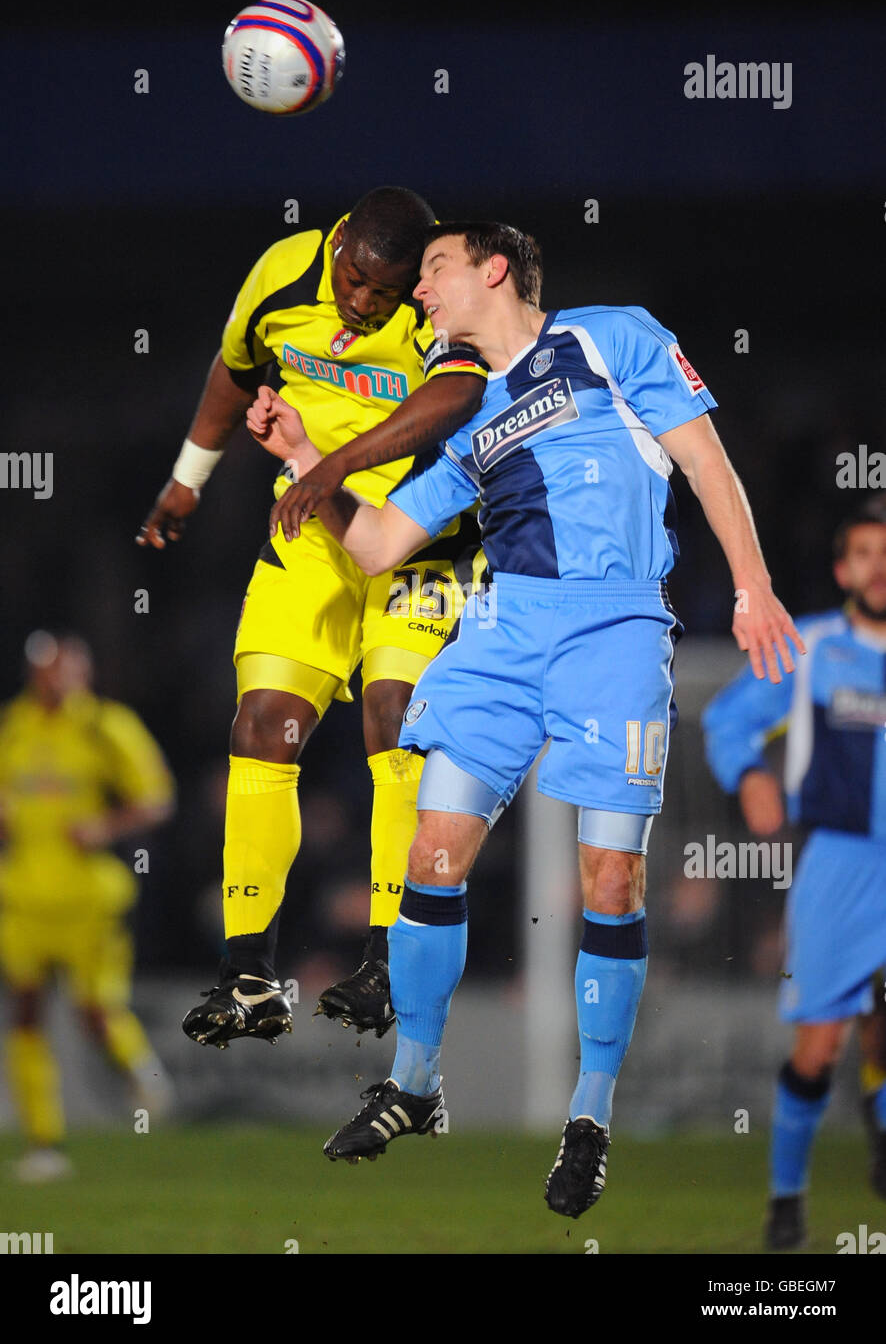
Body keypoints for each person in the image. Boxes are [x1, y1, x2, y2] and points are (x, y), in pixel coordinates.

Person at [248, 220, 803, 1217]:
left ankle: (588, 1115)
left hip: (614, 630)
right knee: (432, 851)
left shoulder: (611, 337)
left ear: (494, 268)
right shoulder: (466, 421)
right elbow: (375, 544)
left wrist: (752, 588)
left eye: (435, 270)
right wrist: (303, 454)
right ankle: (414, 1085)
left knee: (611, 874)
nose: (419, 291)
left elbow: (707, 462)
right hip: (503, 635)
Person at [137, 187, 488, 1047]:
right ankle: (250, 973)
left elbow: (458, 398)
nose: (361, 301)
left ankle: (388, 958)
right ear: (337, 246)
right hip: (313, 530)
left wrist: (333, 461)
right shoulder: (285, 273)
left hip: (423, 538)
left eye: (383, 290)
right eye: (354, 279)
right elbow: (234, 366)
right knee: (262, 724)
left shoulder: (440, 298)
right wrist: (189, 477)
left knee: (392, 718)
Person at [702, 496, 886, 1250]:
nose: (881, 568)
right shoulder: (810, 646)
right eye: (866, 554)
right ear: (845, 568)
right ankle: (786, 1200)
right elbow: (727, 719)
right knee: (820, 1049)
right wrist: (749, 774)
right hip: (840, 867)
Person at [0, 632, 175, 1182]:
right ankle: (44, 1143)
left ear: (81, 672)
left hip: (88, 897)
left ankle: (140, 1071)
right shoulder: (15, 725)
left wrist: (106, 825)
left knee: (94, 1013)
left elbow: (156, 797)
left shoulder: (106, 726)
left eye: (60, 668)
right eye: (43, 668)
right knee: (25, 1013)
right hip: (23, 894)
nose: (51, 678)